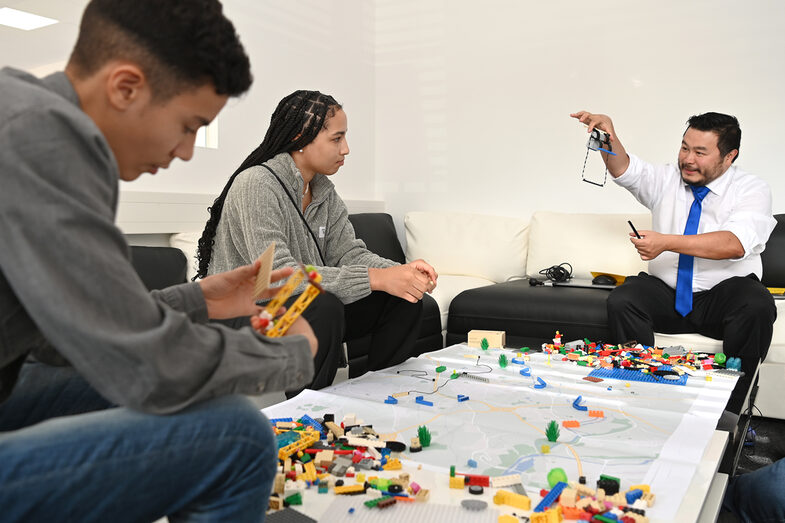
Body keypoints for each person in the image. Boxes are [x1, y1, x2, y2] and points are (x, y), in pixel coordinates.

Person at [0, 1, 318, 521]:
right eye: (189, 126)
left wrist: (201, 298)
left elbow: (63, 334)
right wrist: (289, 356)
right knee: (237, 435)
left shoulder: (23, 112)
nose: (188, 151)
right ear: (125, 86)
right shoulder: (45, 137)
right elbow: (142, 365)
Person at [196, 90, 439, 388]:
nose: (346, 149)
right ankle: (307, 414)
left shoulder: (324, 191)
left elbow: (349, 254)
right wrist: (376, 278)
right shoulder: (256, 184)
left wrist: (399, 273)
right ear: (301, 137)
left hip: (292, 309)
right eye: (337, 139)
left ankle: (373, 398)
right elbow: (275, 279)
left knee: (402, 296)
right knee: (322, 306)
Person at [570, 111, 776, 415]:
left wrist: (666, 242)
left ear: (729, 156)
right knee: (624, 299)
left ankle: (733, 410)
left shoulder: (751, 189)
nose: (688, 159)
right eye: (684, 148)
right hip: (667, 294)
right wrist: (608, 136)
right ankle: (641, 393)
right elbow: (624, 168)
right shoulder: (667, 178)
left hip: (721, 300)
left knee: (757, 304)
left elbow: (734, 244)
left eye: (700, 152)